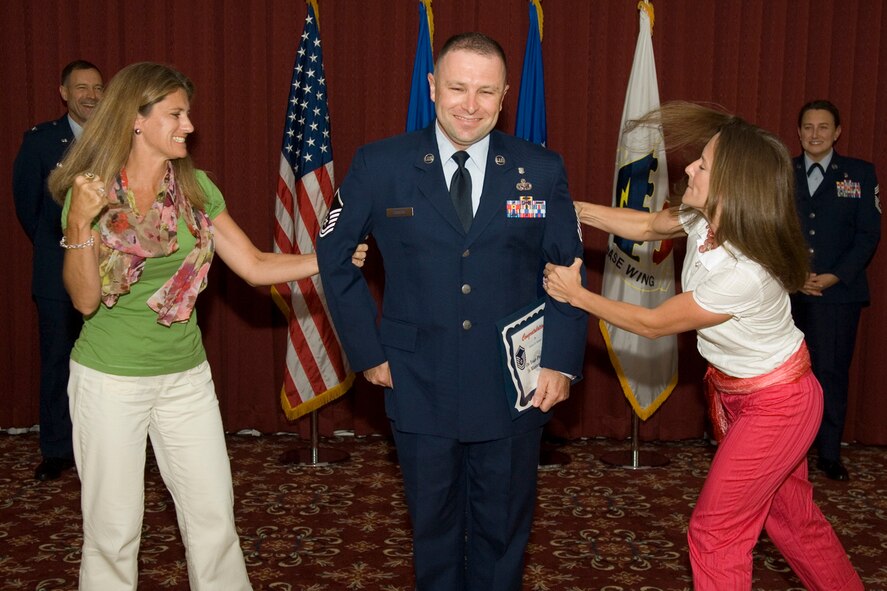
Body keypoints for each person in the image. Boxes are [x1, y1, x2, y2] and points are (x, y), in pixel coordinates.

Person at [47, 62, 366, 590]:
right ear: (136, 119)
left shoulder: (196, 188)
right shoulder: (92, 193)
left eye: (187, 113)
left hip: (185, 379)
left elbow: (256, 265)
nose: (188, 125)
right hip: (109, 381)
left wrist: (327, 259)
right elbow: (83, 301)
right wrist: (80, 223)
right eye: (175, 114)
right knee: (113, 530)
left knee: (214, 515)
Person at [543, 102, 862, 590]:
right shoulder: (704, 216)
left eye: (703, 164)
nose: (689, 167)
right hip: (744, 393)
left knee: (715, 534)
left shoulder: (743, 271)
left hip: (778, 406)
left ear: (731, 186)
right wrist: (576, 210)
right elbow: (648, 226)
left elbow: (652, 323)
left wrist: (576, 294)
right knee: (793, 522)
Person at [317, 32, 587, 591]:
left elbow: (567, 275)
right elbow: (334, 255)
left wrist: (560, 363)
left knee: (503, 531)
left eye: (486, 92)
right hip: (418, 377)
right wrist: (367, 352)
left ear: (506, 95)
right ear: (433, 86)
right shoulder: (380, 163)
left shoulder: (540, 169)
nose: (470, 104)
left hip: (514, 383)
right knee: (433, 530)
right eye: (458, 87)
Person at [13, 60, 104, 481]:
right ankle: (56, 448)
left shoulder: (118, 136)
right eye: (81, 87)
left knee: (108, 363)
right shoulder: (40, 142)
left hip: (112, 272)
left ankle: (105, 443)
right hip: (55, 273)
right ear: (63, 92)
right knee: (57, 362)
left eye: (98, 87)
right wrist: (61, 249)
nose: (91, 94)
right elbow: (29, 210)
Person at [791, 99, 880, 482]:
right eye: (808, 127)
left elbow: (867, 236)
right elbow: (769, 226)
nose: (815, 134)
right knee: (785, 375)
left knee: (830, 373)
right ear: (798, 133)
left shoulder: (859, 174)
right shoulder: (781, 171)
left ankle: (828, 454)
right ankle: (788, 452)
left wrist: (833, 276)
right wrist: (791, 273)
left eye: (823, 127)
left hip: (837, 295)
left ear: (837, 132)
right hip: (788, 290)